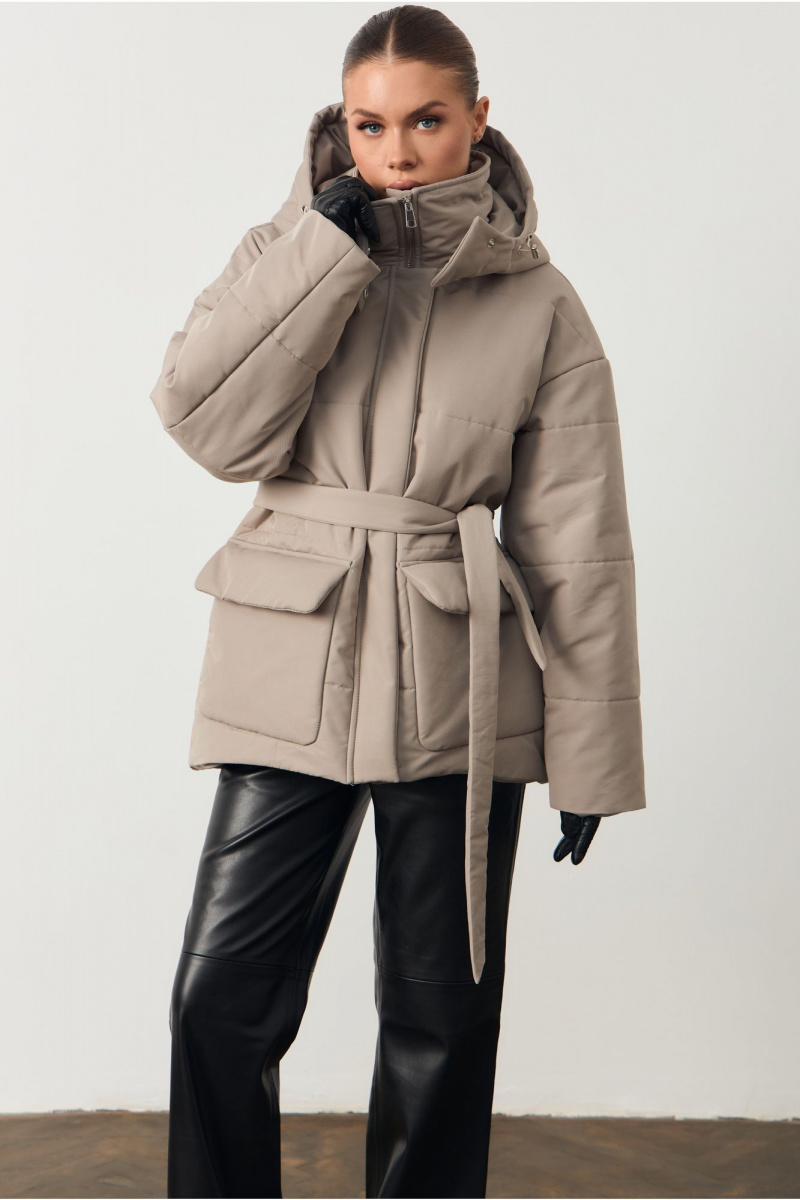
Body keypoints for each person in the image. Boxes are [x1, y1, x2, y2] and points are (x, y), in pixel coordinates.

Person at [150, 6, 647, 1197]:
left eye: (425, 121)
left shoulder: (539, 304)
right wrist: (321, 255)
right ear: (341, 124)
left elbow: (577, 547)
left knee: (440, 1020)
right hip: (292, 663)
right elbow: (206, 428)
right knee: (218, 999)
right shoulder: (282, 251)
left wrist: (589, 764)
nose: (398, 151)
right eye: (369, 126)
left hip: (456, 679)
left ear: (477, 119)